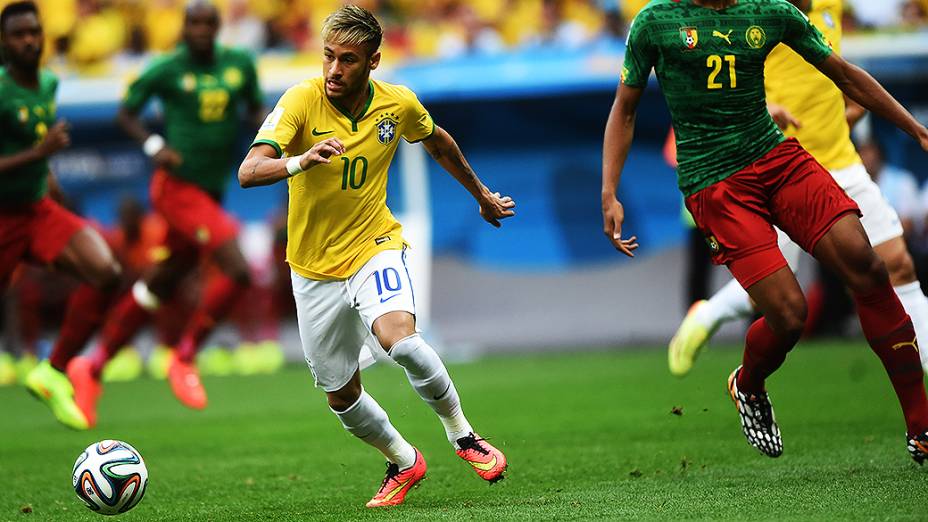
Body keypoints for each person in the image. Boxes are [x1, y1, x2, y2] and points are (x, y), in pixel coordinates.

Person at [604, 0, 928, 463]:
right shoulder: (656, 22)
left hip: (776, 159)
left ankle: (922, 427)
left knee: (869, 266)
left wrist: (916, 130)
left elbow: (845, 75)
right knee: (789, 313)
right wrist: (609, 191)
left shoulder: (770, 12)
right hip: (715, 181)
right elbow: (625, 110)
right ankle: (748, 383)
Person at [238, 5, 515, 508]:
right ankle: (403, 460)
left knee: (401, 341)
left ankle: (463, 435)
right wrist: (301, 159)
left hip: (374, 245)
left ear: (373, 62)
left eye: (347, 59)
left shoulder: (398, 105)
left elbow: (440, 143)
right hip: (312, 269)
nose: (333, 70)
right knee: (341, 397)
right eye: (328, 57)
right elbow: (248, 171)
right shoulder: (300, 100)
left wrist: (481, 194)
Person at [668, 0, 928, 376]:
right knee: (771, 291)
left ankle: (923, 365)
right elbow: (720, 73)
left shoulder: (831, 6)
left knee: (898, 265)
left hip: (841, 163)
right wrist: (761, 105)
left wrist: (846, 113)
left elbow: (837, 72)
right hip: (783, 170)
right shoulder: (754, 12)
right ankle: (707, 314)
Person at [66, 0, 264, 423]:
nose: (201, 31)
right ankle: (185, 356)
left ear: (217, 27)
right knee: (238, 267)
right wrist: (154, 145)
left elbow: (253, 111)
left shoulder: (240, 66)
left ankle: (93, 365)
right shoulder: (166, 69)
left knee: (161, 282)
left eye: (209, 23)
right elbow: (126, 113)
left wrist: (275, 135)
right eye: (194, 24)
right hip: (176, 189)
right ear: (183, 27)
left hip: (211, 192)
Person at [0, 1, 122, 430]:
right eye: (18, 34)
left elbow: (40, 154)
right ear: (4, 41)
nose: (29, 40)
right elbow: (39, 148)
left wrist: (56, 191)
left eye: (34, 32)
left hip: (36, 209)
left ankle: (52, 371)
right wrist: (40, 152)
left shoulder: (48, 83)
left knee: (107, 271)